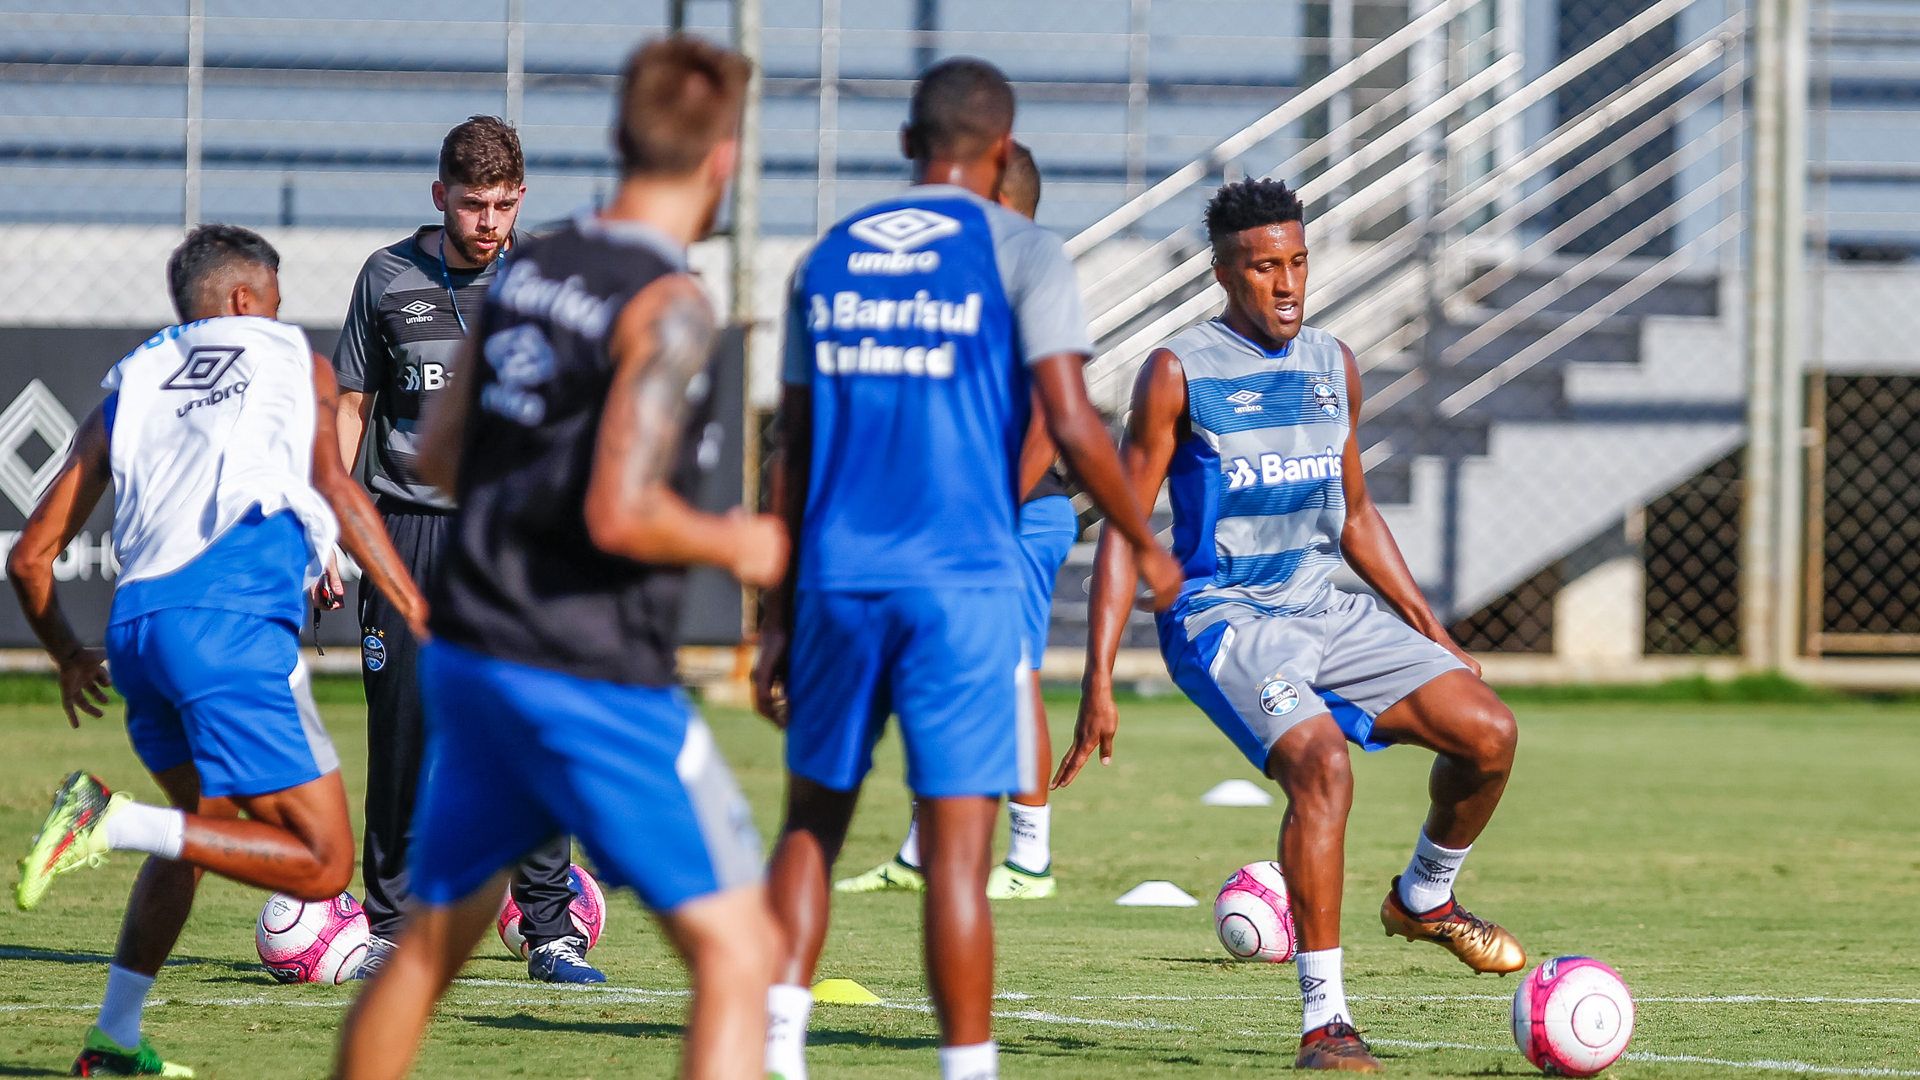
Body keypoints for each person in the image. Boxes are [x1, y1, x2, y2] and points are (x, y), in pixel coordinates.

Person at [333, 36, 783, 1080]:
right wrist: (745, 540)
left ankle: (546, 928)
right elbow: (624, 515)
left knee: (426, 954)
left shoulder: (538, 277)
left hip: (477, 647)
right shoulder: (664, 304)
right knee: (740, 950)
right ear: (722, 164)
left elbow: (443, 448)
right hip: (577, 660)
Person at [753, 59, 1180, 1080]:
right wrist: (1152, 546)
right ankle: (968, 1069)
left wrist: (770, 615)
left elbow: (790, 453)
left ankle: (770, 1053)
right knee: (956, 853)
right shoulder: (1024, 249)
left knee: (811, 825)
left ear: (908, 144)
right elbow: (1071, 420)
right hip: (963, 584)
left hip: (838, 584)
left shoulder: (826, 256)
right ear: (1002, 151)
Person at [1059, 178, 1525, 1072]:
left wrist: (1433, 634)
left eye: (1298, 262)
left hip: (1326, 605)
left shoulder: (1331, 364)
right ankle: (1327, 1022)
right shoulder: (1177, 372)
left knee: (1489, 733)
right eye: (1264, 266)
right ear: (1224, 272)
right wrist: (1098, 677)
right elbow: (1126, 524)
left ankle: (1424, 898)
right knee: (1322, 764)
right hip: (1224, 617)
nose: (1287, 284)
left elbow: (1354, 514)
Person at [10, 224, 428, 1079]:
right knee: (322, 865)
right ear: (244, 301)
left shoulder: (130, 388)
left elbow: (30, 556)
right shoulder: (287, 358)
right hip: (228, 628)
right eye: (274, 297)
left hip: (136, 634)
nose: (281, 313)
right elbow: (337, 484)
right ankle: (107, 818)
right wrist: (417, 608)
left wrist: (66, 653)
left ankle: (114, 1041)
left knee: (203, 832)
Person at [323, 116, 597, 983]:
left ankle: (551, 930)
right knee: (402, 731)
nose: (490, 222)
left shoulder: (550, 278)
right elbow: (352, 410)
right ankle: (393, 929)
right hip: (405, 532)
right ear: (440, 195)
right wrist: (326, 528)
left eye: (505, 205)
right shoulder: (387, 276)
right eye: (475, 204)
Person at [834, 141, 1078, 901]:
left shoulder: (1029, 276)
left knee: (1011, 673)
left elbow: (1050, 412)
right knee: (928, 672)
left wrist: (991, 510)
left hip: (1021, 516)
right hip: (958, 522)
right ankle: (919, 850)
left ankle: (1031, 857)